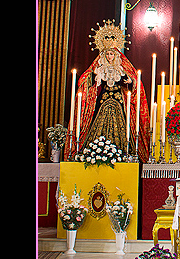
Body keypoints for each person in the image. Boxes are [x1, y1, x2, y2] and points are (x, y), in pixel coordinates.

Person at [64, 20, 150, 162]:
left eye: (112, 54)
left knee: (123, 127)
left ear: (116, 55)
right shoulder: (98, 67)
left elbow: (134, 80)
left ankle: (123, 152)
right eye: (108, 54)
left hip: (119, 100)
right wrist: (94, 77)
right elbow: (85, 81)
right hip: (103, 101)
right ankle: (96, 151)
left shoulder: (122, 67)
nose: (110, 56)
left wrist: (131, 81)